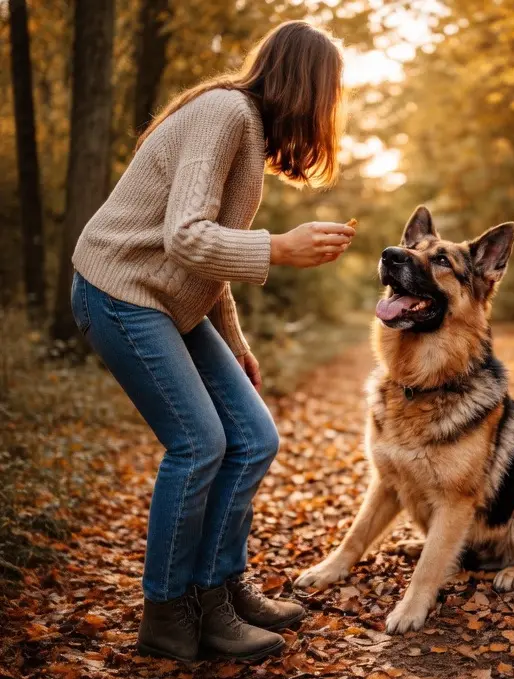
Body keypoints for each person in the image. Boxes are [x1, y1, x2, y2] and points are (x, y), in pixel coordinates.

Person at [70, 20, 355, 663]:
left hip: (173, 303)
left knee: (255, 437)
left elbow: (207, 261)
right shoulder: (225, 113)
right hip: (121, 291)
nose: (330, 111)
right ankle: (169, 617)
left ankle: (220, 591)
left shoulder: (247, 134)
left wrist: (236, 341)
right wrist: (280, 248)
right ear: (307, 84)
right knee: (200, 444)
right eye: (330, 94)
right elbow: (186, 237)